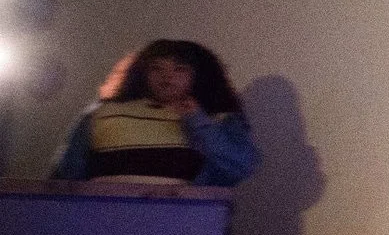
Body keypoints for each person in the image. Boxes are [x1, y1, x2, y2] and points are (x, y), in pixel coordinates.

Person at [51, 40, 260, 186]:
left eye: (179, 69)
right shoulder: (102, 115)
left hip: (185, 225)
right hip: (104, 222)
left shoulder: (218, 119)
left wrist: (198, 122)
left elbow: (240, 167)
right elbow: (66, 179)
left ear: (199, 75)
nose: (166, 77)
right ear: (142, 73)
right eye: (156, 68)